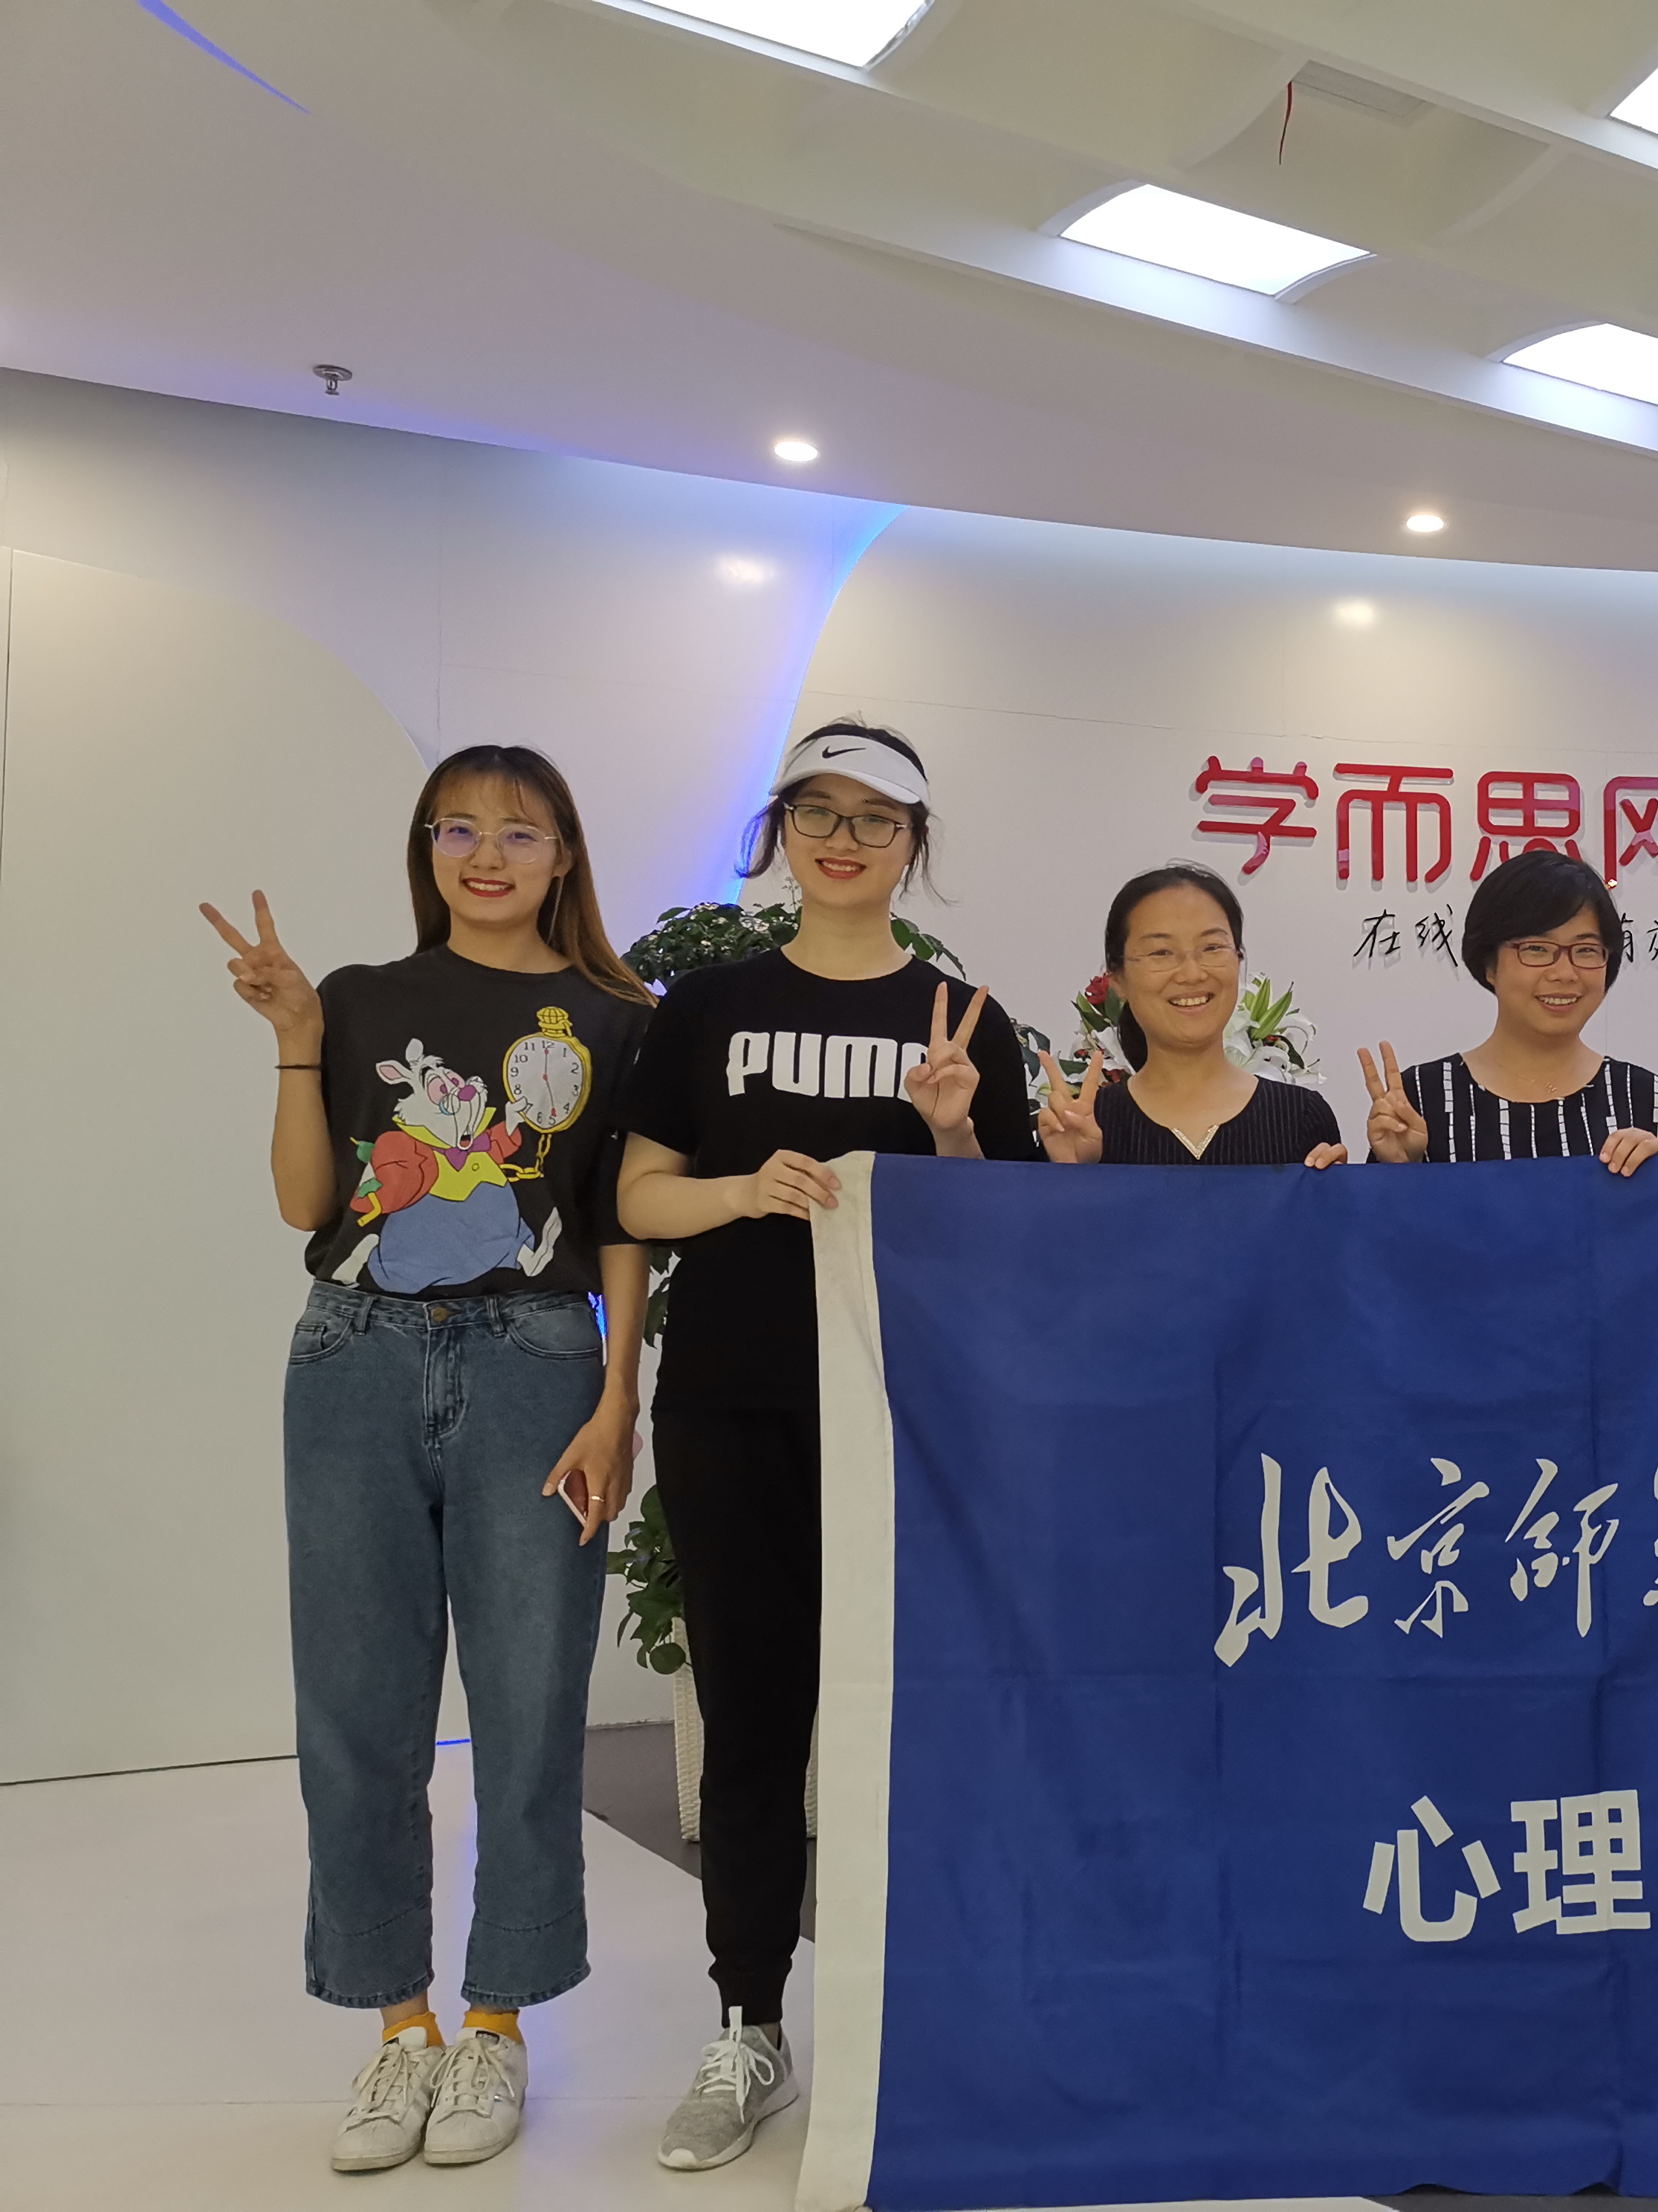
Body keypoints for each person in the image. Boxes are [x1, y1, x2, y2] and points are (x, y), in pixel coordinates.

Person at [201, 746, 652, 2175]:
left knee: (529, 1703)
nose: (486, 855)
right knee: (355, 1707)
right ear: (427, 849)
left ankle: (498, 2024)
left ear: (564, 854)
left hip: (538, 1363)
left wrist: (618, 1399)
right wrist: (294, 1033)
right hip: (354, 1358)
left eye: (519, 832)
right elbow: (306, 1203)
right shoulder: (359, 998)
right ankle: (401, 2027)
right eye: (457, 829)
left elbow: (622, 1223)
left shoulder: (619, 1019)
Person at [615, 722, 1037, 2172]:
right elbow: (639, 1198)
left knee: (911, 1727)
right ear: (780, 830)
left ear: (914, 842)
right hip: (731, 1408)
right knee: (750, 1726)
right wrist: (741, 1191)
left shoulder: (962, 1020)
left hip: (905, 1414)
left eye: (875, 817)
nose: (845, 839)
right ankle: (750, 2023)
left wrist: (955, 1135)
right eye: (819, 812)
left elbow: (1010, 1236)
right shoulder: (709, 1005)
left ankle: (909, 2022)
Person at [1357, 848, 1658, 1171]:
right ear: (1489, 964)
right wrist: (1401, 1171)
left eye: (1586, 950)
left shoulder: (1646, 1099)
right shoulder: (1420, 1098)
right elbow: (1384, 1210)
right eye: (1536, 949)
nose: (1564, 973)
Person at [1035, 864, 1347, 1168]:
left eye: (1212, 947)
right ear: (1117, 979)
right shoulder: (1087, 1125)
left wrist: (1344, 1184)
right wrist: (1072, 1173)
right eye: (1161, 952)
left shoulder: (1300, 1117)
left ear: (1238, 959)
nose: (1192, 973)